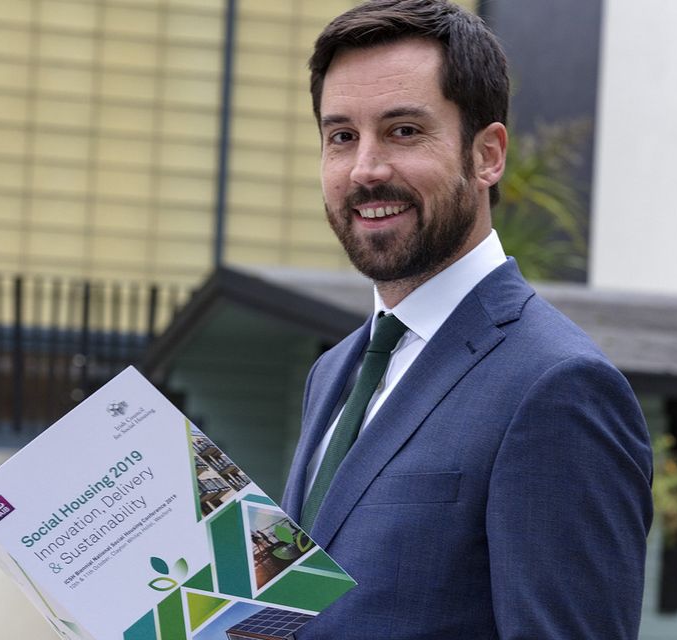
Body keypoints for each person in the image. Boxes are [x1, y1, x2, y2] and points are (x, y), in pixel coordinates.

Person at [280, 1, 653, 638]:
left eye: (403, 131)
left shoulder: (559, 389)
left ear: (487, 155)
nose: (366, 169)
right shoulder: (333, 371)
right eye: (342, 136)